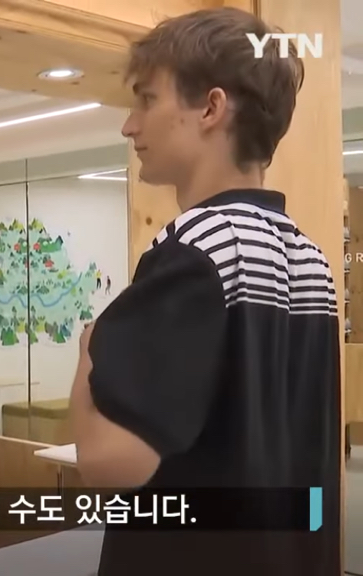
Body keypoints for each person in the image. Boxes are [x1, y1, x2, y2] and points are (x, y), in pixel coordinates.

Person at [68, 7, 338, 576]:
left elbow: (109, 462)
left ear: (211, 108)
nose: (129, 126)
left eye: (147, 100)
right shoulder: (311, 258)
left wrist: (89, 351)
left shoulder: (195, 248)